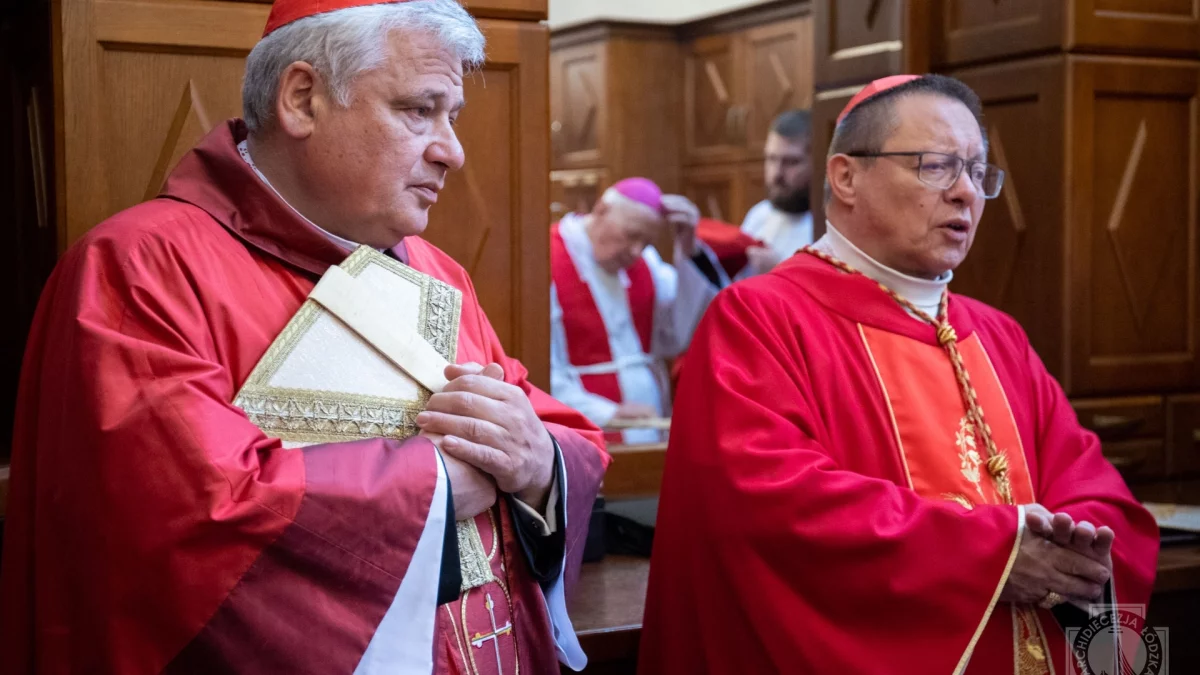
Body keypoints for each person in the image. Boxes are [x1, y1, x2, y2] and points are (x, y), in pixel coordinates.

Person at [0, 1, 609, 674]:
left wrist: (539, 466)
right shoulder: (141, 268)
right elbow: (178, 521)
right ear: (301, 99)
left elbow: (552, 430)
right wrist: (433, 485)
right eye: (418, 110)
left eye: (452, 117)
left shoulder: (435, 273)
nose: (452, 151)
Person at [640, 74, 1159, 674]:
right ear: (845, 177)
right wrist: (993, 556)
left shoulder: (998, 335)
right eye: (937, 167)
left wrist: (1079, 550)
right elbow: (774, 509)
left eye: (977, 172)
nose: (965, 193)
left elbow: (1089, 481)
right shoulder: (759, 319)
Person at [549, 178, 727, 444]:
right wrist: (608, 413)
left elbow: (679, 333)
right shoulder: (546, 260)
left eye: (645, 242)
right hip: (585, 432)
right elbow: (541, 370)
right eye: (631, 235)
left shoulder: (647, 263)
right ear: (601, 209)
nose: (636, 251)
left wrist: (688, 248)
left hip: (650, 427)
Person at [738, 108, 814, 276]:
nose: (776, 174)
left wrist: (777, 271)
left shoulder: (829, 228)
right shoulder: (759, 215)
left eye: (791, 162)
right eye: (771, 159)